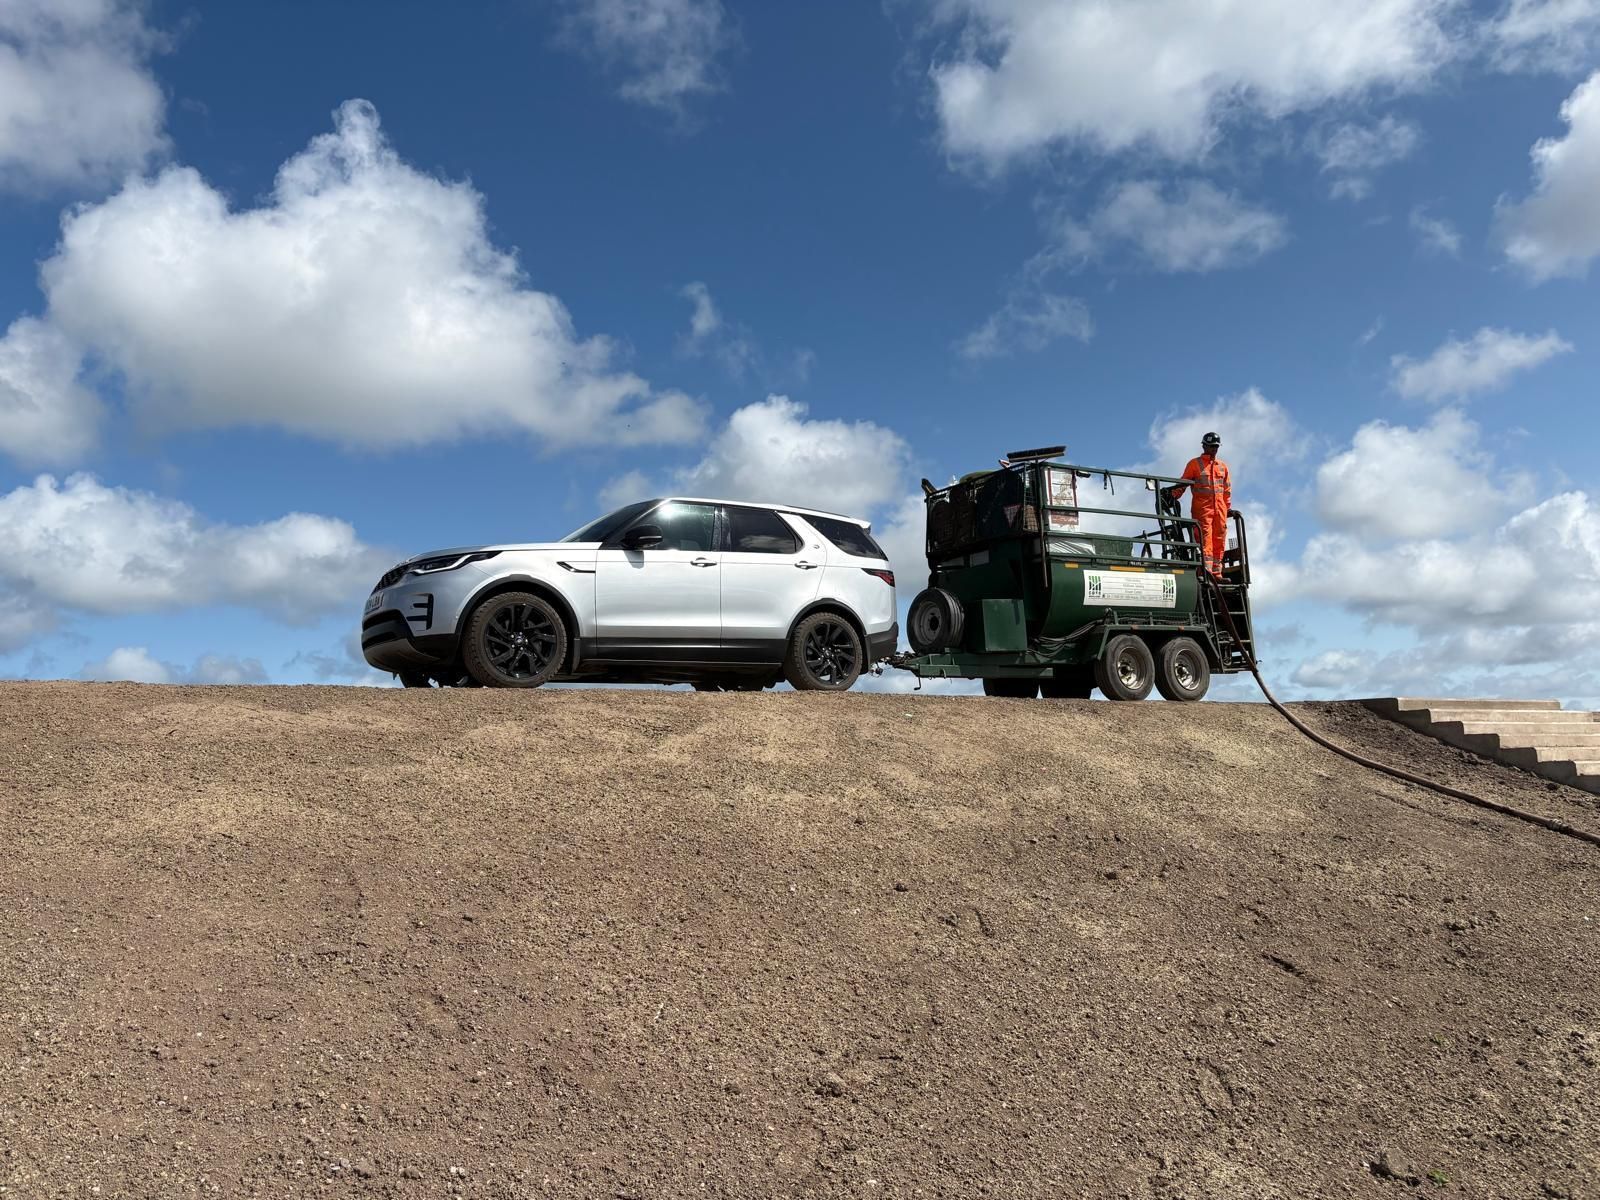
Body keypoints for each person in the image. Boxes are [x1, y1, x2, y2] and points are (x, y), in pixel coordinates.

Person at [1169, 432, 1236, 576]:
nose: (1214, 449)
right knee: (1205, 541)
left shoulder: (1223, 467)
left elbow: (1227, 491)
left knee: (1219, 540)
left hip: (1220, 512)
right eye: (1211, 446)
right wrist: (1172, 495)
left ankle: (1217, 574)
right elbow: (1183, 483)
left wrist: (1227, 509)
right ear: (1204, 446)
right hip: (1203, 511)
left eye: (1216, 447)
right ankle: (1206, 573)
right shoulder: (1194, 464)